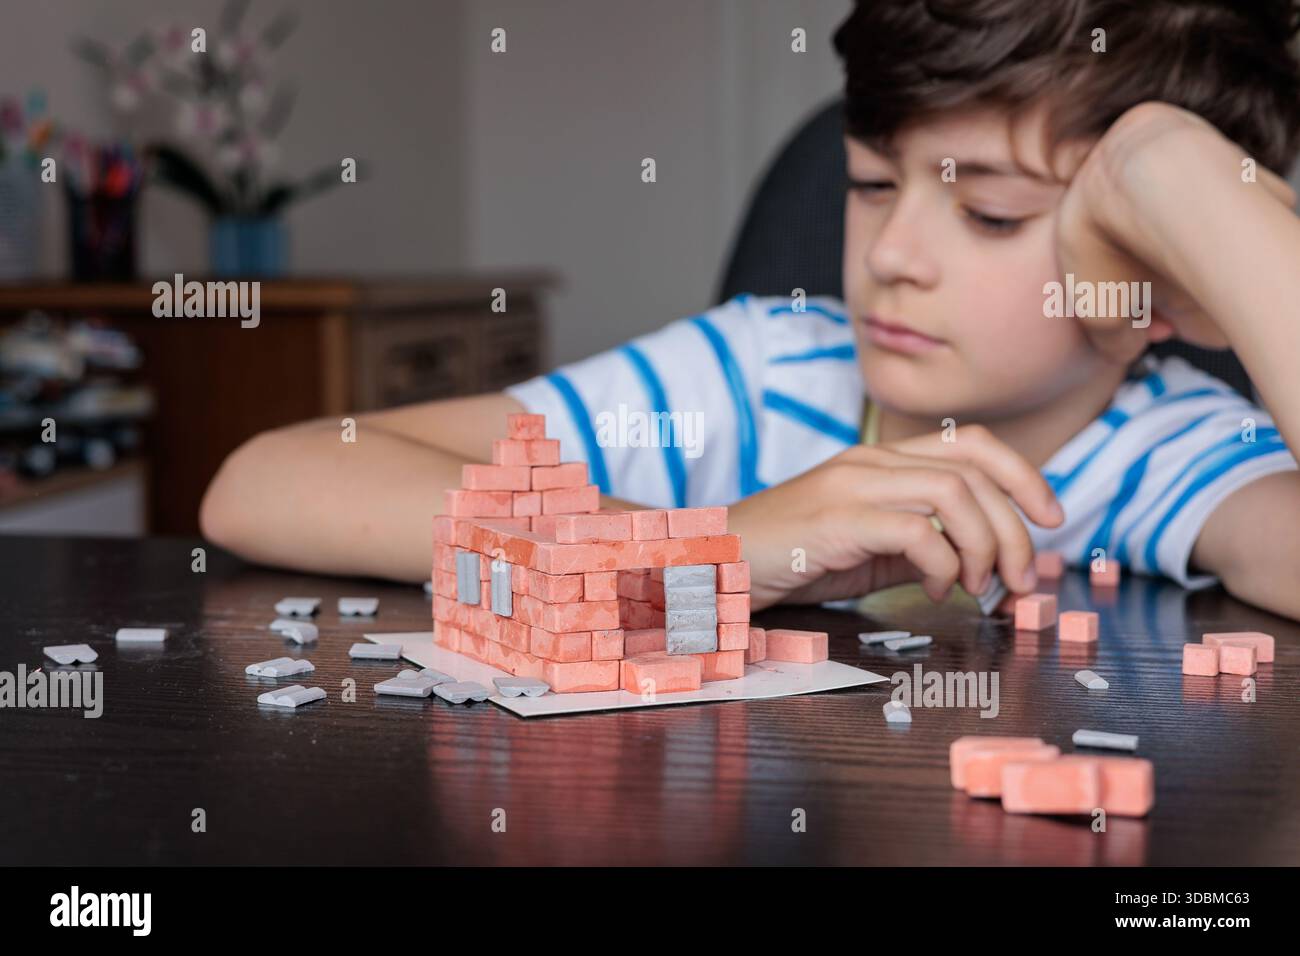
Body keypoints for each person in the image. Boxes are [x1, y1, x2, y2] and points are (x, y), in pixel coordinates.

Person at [201, 0, 1300, 620]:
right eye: (871, 185)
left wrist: (1183, 182)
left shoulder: (1172, 447)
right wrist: (707, 545)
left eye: (994, 216)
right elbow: (262, 485)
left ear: (1164, 289)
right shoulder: (761, 371)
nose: (893, 254)